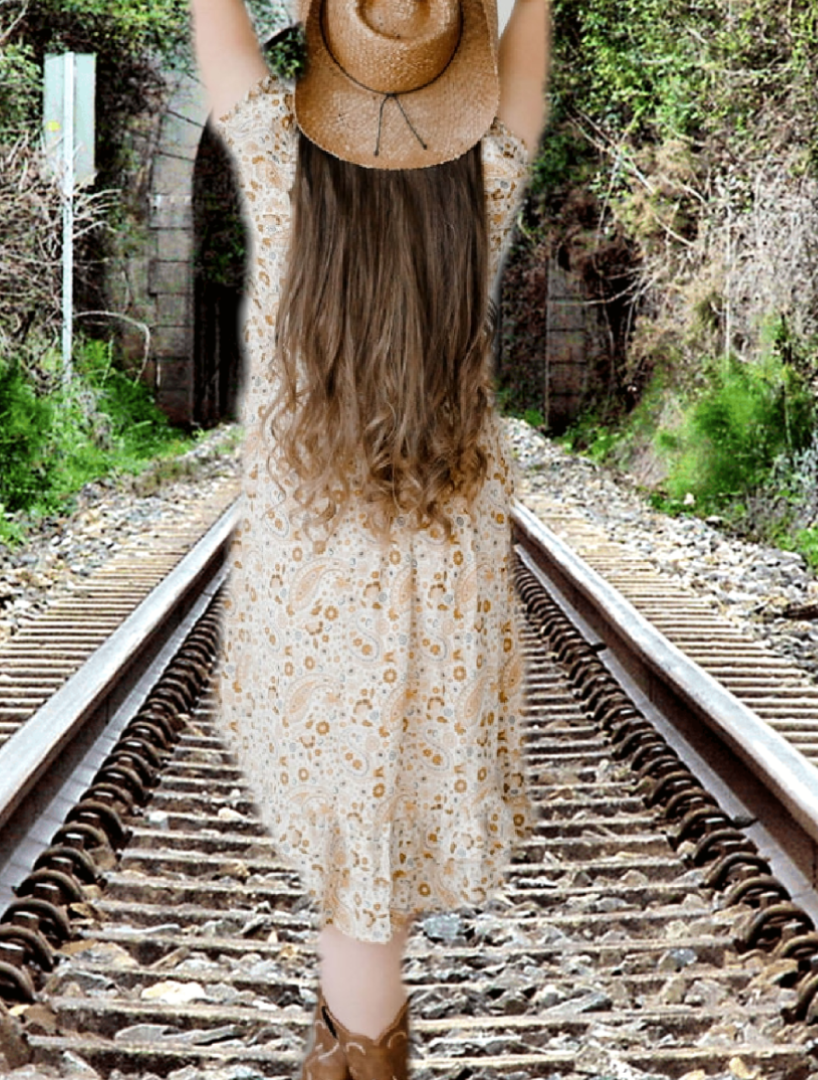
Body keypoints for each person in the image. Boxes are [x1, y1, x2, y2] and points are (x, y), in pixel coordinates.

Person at [188, 2, 550, 1076]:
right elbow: (527, 62)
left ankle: (353, 1052)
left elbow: (221, 38)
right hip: (441, 600)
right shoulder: (478, 187)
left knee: (358, 886)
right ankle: (354, 1045)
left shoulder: (280, 173)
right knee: (371, 886)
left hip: (312, 601)